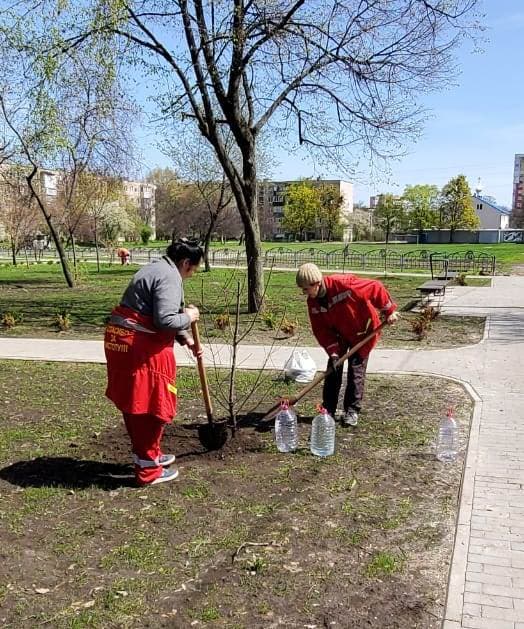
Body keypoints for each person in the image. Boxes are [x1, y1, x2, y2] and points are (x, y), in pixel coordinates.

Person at [104, 240, 203, 486]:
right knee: (149, 405)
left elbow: (154, 312)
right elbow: (165, 320)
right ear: (185, 263)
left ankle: (150, 455)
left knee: (137, 401)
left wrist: (186, 339)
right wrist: (189, 317)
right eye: (193, 270)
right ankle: (148, 469)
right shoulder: (170, 277)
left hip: (124, 342)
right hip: (139, 348)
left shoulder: (156, 268)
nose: (192, 275)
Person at [296, 263, 399, 427]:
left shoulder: (344, 285)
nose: (304, 293)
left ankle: (351, 411)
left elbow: (376, 287)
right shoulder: (313, 302)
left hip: (363, 331)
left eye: (306, 289)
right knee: (333, 368)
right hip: (340, 335)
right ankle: (328, 409)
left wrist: (389, 311)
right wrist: (334, 352)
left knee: (356, 369)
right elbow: (321, 330)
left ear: (316, 283)